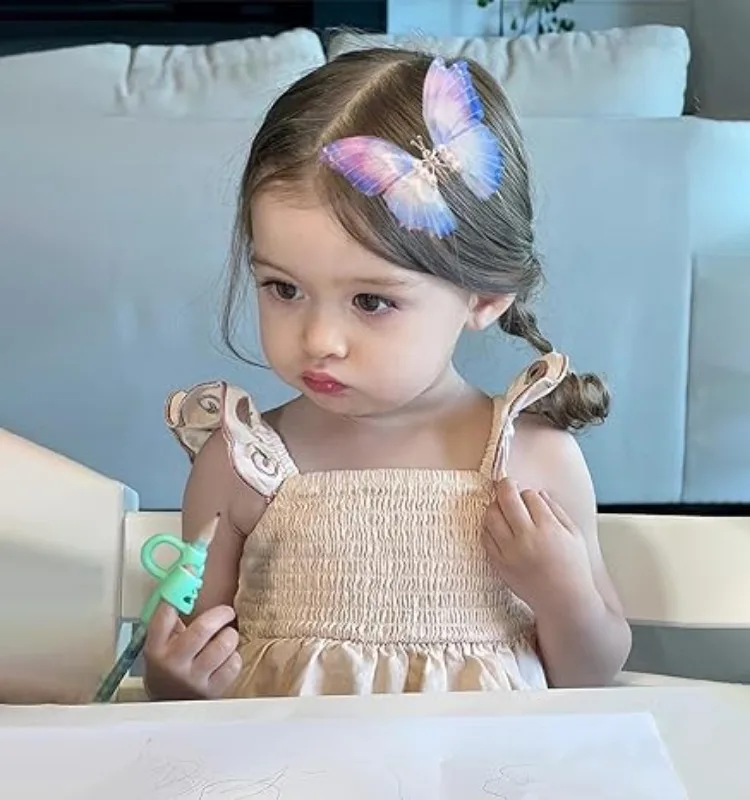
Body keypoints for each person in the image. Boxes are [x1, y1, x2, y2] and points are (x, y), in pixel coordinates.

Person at [142, 48, 631, 701]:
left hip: (480, 759)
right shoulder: (241, 464)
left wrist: (562, 594)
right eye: (283, 289)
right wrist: (174, 677)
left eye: (371, 301)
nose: (319, 339)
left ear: (484, 297)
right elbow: (193, 668)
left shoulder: (533, 461)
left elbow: (589, 677)